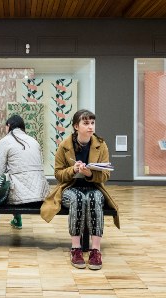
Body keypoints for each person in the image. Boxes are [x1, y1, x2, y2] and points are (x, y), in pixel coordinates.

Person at [40, 109, 120, 270]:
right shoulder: (64, 146)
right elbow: (58, 174)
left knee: (95, 199)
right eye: (86, 123)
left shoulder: (101, 144)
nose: (90, 127)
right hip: (70, 187)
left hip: (94, 186)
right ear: (76, 126)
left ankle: (95, 250)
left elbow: (105, 175)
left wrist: (90, 173)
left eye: (92, 123)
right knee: (78, 199)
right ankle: (75, 248)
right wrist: (73, 170)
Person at [0, 115, 49, 235]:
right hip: (40, 192)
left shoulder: (4, 142)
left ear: (8, 126)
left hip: (19, 195)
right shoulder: (34, 141)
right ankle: (17, 220)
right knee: (15, 179)